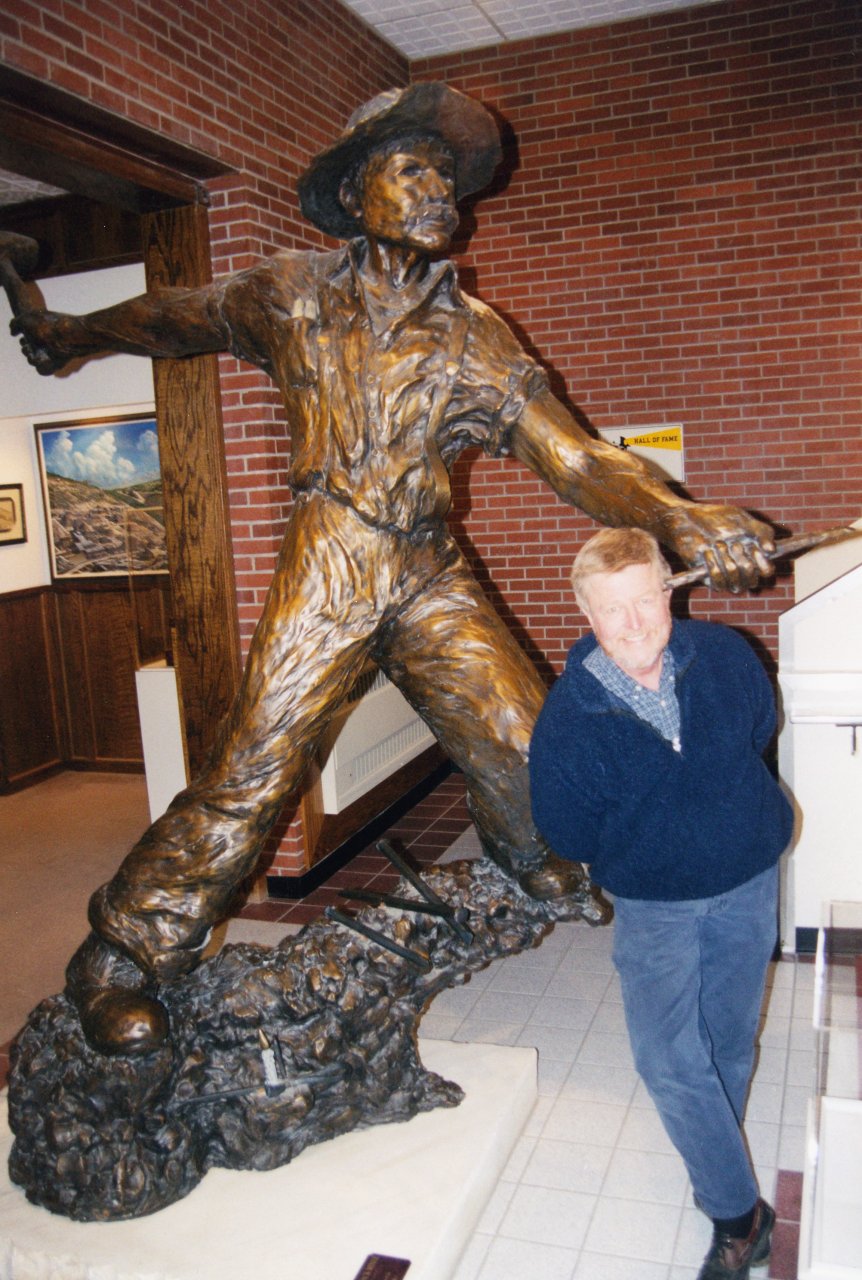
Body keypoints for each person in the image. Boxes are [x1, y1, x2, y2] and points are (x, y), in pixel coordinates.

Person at [11, 83, 777, 1058]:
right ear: (355, 192)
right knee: (255, 770)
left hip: (426, 563)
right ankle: (122, 955)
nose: (437, 192)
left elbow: (577, 459)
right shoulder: (288, 291)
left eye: (446, 179)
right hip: (331, 554)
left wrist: (677, 516)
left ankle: (533, 858)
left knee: (526, 739)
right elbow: (176, 318)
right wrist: (77, 333)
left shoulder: (474, 335)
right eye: (412, 169)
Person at [529, 527, 793, 1280]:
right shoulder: (569, 719)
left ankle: (714, 1158)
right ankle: (739, 1216)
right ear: (587, 614)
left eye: (645, 599)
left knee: (730, 1039)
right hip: (655, 906)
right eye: (612, 609)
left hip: (748, 878)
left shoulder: (727, 656)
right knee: (669, 1058)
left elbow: (760, 728)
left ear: (670, 590)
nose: (634, 622)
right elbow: (567, 830)